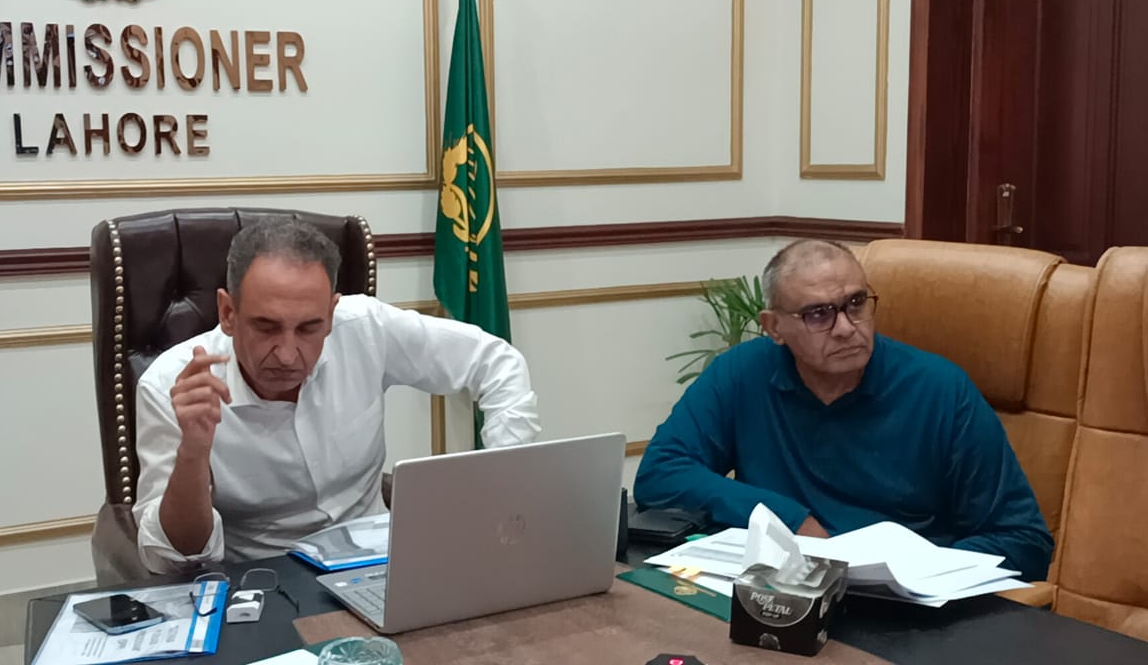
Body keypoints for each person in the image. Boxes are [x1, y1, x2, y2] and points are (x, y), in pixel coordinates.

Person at [134, 218, 540, 573]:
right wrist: (193, 453)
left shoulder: (365, 328)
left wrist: (501, 480)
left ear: (331, 313)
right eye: (266, 327)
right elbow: (172, 557)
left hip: (381, 565)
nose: (287, 354)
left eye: (309, 328)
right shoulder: (172, 384)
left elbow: (495, 361)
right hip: (264, 581)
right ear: (228, 313)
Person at [634, 239, 1053, 581]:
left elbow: (1023, 540)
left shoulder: (941, 390)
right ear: (774, 327)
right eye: (818, 314)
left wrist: (914, 572)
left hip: (905, 612)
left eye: (856, 303)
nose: (846, 328)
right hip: (782, 594)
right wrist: (788, 519)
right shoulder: (743, 372)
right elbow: (660, 473)